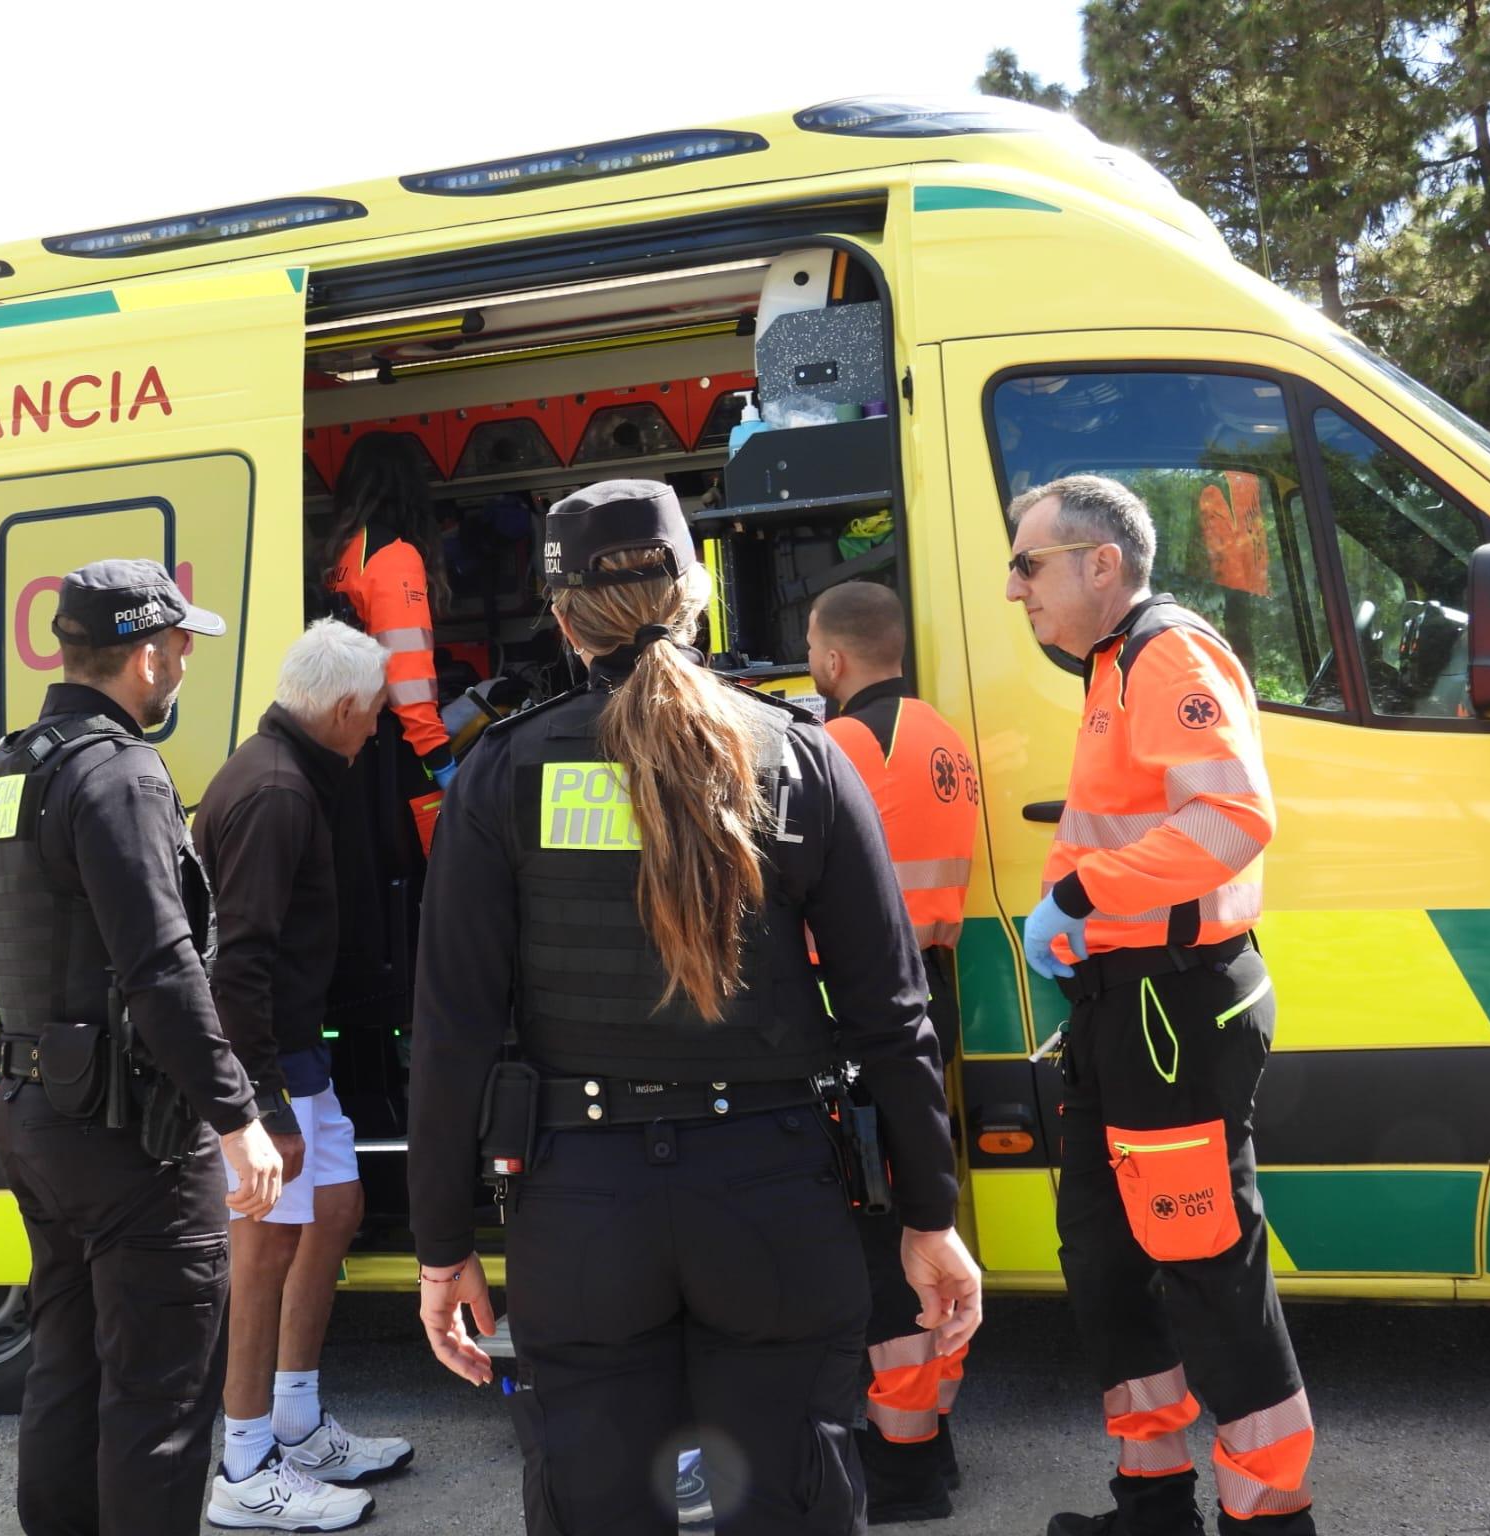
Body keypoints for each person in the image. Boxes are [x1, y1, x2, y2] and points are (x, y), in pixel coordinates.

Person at [408, 479, 982, 1536]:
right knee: (789, 1504)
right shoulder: (799, 754)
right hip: (769, 1194)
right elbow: (889, 1015)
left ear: (560, 613)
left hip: (578, 1205)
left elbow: (449, 1031)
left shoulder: (497, 772)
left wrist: (441, 1246)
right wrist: (929, 1218)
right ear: (699, 592)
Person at [1005, 477, 1315, 1536]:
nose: (1012, 589)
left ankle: (1269, 1519)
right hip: (1118, 1004)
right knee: (1104, 1259)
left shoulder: (1162, 653)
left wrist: (1081, 898)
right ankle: (1150, 1504)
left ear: (1099, 563)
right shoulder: (1111, 663)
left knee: (1198, 1269)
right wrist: (1077, 922)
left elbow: (1232, 816)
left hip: (1169, 1009)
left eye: (1027, 563)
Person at [0, 559, 285, 1536]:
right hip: (132, 1136)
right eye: (182, 642)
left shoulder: (2, 770)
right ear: (146, 656)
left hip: (32, 1117)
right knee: (160, 1402)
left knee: (66, 1366)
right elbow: (161, 968)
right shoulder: (122, 773)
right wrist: (237, 1119)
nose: (187, 657)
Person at [192, 619, 413, 1531]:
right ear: (343, 708)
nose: (378, 732)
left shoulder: (285, 773)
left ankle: (295, 1419)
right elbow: (236, 966)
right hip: (270, 1063)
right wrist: (264, 1108)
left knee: (336, 1209)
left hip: (294, 1051)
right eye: (374, 716)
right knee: (265, 1249)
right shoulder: (279, 793)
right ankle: (245, 1470)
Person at [807, 580, 980, 1523]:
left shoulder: (837, 746)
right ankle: (936, 1435)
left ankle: (906, 1465)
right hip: (928, 999)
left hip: (854, 1013)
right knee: (930, 1210)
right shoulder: (945, 734)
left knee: (883, 1241)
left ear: (831, 659)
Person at [321, 431, 457, 791]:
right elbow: (406, 675)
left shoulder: (343, 554)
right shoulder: (394, 557)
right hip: (394, 751)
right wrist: (439, 758)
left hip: (349, 743)